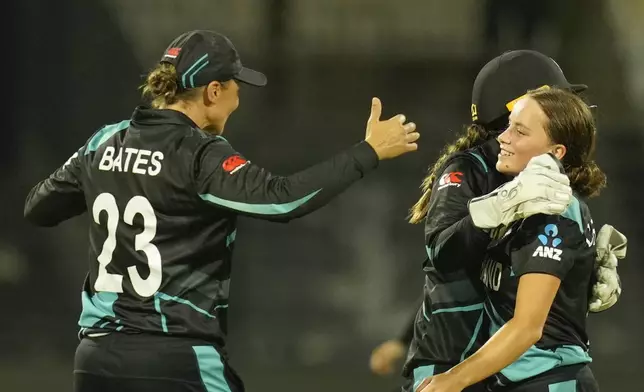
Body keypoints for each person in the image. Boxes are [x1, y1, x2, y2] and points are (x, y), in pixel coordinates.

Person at [23, 30, 420, 392]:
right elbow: (282, 198)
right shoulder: (199, 154)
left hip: (95, 361)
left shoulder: (105, 141)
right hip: (176, 358)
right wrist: (368, 152)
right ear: (213, 91)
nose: (239, 98)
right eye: (236, 86)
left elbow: (38, 208)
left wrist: (112, 179)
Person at [399, 50, 610, 392]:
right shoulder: (469, 170)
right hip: (454, 357)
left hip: (507, 369)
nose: (566, 104)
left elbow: (532, 310)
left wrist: (584, 271)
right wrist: (499, 206)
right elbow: (443, 255)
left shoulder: (545, 189)